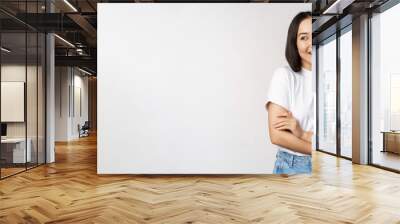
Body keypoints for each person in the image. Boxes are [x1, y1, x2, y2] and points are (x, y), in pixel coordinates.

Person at [266, 11, 314, 175]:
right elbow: (277, 135)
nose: (311, 43)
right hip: (293, 167)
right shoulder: (284, 76)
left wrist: (301, 133)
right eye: (303, 37)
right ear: (294, 43)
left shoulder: (334, 76)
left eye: (314, 34)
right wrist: (317, 151)